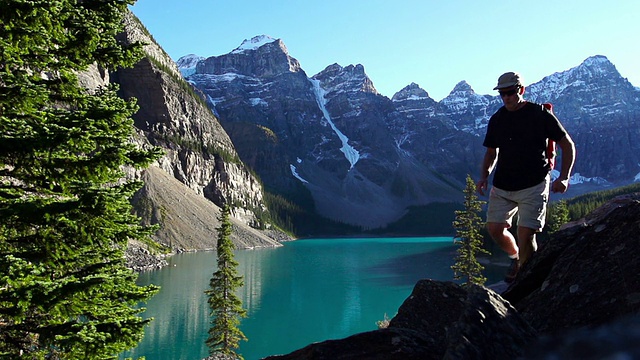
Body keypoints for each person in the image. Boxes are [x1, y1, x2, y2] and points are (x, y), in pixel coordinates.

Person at [476, 72, 576, 283]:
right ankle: (516, 258)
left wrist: (564, 177)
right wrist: (484, 177)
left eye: (510, 93)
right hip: (503, 185)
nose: (506, 98)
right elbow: (491, 152)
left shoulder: (539, 114)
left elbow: (567, 144)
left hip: (534, 184)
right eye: (502, 94)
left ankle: (526, 280)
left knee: (526, 234)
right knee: (494, 228)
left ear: (521, 90)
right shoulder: (497, 119)